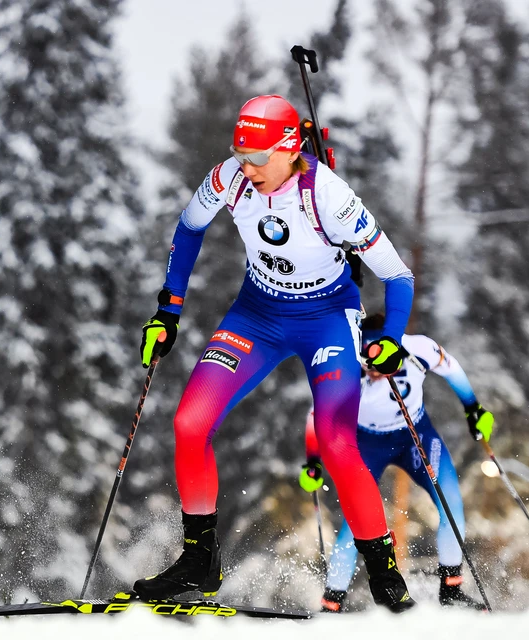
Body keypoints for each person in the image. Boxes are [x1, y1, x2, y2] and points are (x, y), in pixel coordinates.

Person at [133, 95, 417, 612]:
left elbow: (397, 275)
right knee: (189, 423)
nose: (249, 167)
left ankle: (385, 576)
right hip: (256, 315)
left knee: (335, 441)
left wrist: (392, 338)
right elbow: (189, 227)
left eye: (260, 157)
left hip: (327, 319)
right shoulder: (229, 178)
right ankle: (199, 559)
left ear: (290, 149)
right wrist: (169, 309)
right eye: (242, 153)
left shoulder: (329, 195)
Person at [299, 312, 495, 612]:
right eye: (366, 360)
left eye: (379, 360)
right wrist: (313, 461)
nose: (372, 369)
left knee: (451, 504)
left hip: (415, 433)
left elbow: (451, 367)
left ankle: (451, 591)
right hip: (365, 444)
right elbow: (316, 416)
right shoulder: (344, 363)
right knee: (354, 524)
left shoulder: (417, 349)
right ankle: (332, 602)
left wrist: (473, 407)